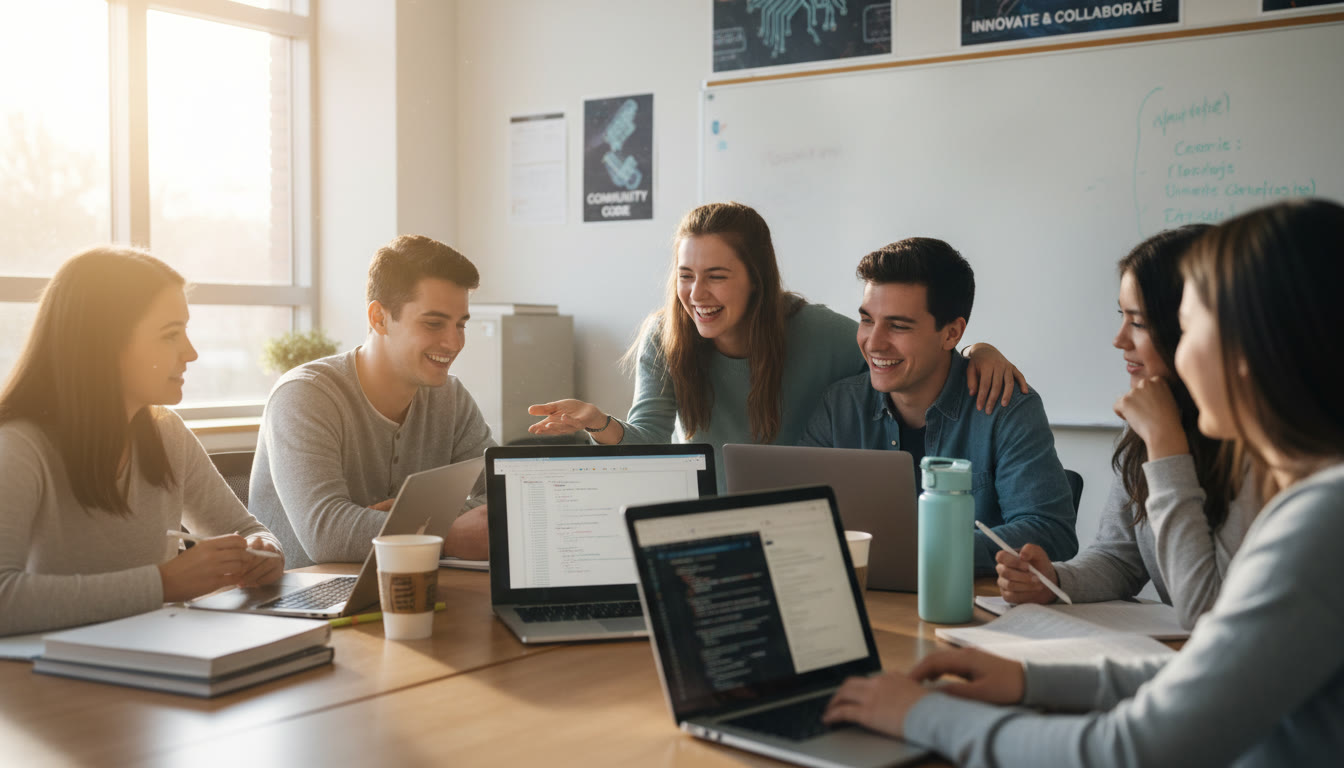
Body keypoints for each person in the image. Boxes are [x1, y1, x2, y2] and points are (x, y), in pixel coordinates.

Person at [822, 199, 1344, 766]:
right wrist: (1030, 680)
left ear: (1257, 347)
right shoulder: (1316, 501)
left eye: (1187, 328)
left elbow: (1129, 748)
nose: (1120, 342)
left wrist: (920, 714)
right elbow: (1220, 671)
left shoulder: (1323, 519)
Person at [526, 202, 1027, 489]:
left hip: (797, 529)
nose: (696, 295)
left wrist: (976, 352)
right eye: (685, 276)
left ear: (756, 280)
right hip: (701, 527)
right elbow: (651, 444)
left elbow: (903, 362)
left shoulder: (822, 333)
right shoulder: (667, 336)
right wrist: (598, 423)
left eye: (716, 277)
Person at [0, 247, 283, 636]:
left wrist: (264, 551)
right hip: (48, 686)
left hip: (156, 660)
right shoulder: (17, 447)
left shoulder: (166, 432)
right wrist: (163, 583)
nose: (191, 352)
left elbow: (244, 527)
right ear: (103, 344)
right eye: (171, 334)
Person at [997, 225, 1256, 629]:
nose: (1119, 339)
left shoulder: (1260, 449)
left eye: (1139, 322)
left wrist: (1166, 446)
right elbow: (1119, 557)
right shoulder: (1152, 418)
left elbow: (1207, 609)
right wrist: (1056, 581)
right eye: (1122, 316)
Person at [801, 237, 1077, 575]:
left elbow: (1051, 532)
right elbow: (800, 517)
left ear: (951, 334)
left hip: (970, 609)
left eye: (898, 326)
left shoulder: (1006, 406)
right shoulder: (840, 405)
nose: (874, 343)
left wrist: (925, 550)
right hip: (872, 601)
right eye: (867, 320)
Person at [250, 235, 494, 569]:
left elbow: (503, 495)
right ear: (378, 318)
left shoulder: (450, 398)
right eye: (434, 323)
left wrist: (410, 519)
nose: (454, 342)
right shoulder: (304, 395)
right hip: (306, 604)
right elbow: (327, 534)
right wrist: (446, 533)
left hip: (411, 586)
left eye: (460, 324)